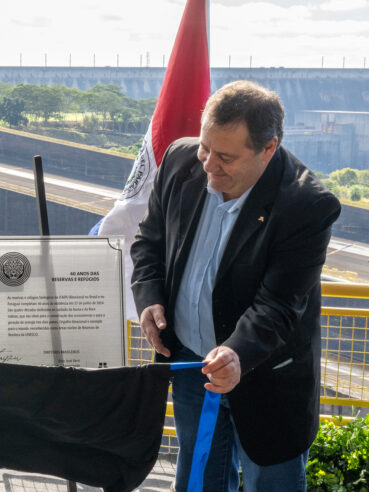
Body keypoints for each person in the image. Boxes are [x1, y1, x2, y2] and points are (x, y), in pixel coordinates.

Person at [130, 80, 341, 491]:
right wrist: (150, 295)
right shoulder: (179, 160)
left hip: (266, 380)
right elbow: (149, 240)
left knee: (272, 482)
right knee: (199, 477)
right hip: (191, 364)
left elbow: (279, 306)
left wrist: (236, 354)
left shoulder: (307, 205)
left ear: (268, 148)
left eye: (225, 156)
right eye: (205, 148)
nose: (208, 165)